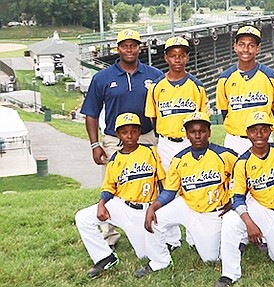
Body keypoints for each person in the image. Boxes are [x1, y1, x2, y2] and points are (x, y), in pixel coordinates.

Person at [81, 29, 163, 248]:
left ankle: (157, 225)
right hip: (113, 139)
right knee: (112, 184)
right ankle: (110, 234)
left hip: (146, 135)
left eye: (134, 45)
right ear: (118, 48)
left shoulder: (154, 75)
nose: (129, 49)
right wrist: (95, 143)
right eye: (125, 45)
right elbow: (91, 113)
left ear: (140, 47)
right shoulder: (102, 77)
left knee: (152, 181)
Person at [135, 112, 237, 278]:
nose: (197, 135)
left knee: (210, 258)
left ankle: (229, 241)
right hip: (186, 205)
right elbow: (169, 191)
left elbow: (245, 177)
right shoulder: (179, 159)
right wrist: (154, 206)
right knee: (154, 220)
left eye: (202, 131)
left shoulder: (225, 155)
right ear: (187, 134)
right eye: (192, 131)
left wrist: (234, 200)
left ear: (209, 132)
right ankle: (159, 262)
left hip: (213, 212)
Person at [216, 111, 274, 287]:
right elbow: (238, 198)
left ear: (271, 131)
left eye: (264, 129)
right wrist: (249, 223)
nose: (259, 134)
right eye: (254, 130)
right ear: (247, 133)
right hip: (258, 207)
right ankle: (229, 274)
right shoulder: (242, 162)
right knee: (230, 220)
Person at [75, 113, 165, 278]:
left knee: (144, 255)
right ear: (118, 134)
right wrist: (102, 203)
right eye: (124, 132)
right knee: (83, 217)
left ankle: (166, 243)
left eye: (134, 131)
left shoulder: (151, 152)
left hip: (144, 209)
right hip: (121, 205)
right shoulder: (115, 158)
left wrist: (159, 207)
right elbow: (109, 187)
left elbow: (163, 183)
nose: (129, 136)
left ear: (139, 132)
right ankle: (105, 257)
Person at [145, 36, 209, 172]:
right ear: (166, 58)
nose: (177, 60)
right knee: (167, 184)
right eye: (173, 56)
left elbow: (203, 119)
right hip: (165, 143)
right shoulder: (156, 86)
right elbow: (153, 118)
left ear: (187, 58)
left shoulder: (196, 86)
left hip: (189, 142)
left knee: (191, 182)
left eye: (181, 55)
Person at [216, 25, 274, 155]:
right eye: (241, 44)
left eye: (251, 45)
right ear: (235, 46)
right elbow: (224, 111)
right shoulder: (225, 79)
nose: (246, 49)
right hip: (235, 140)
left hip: (263, 139)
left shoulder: (270, 76)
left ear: (258, 48)